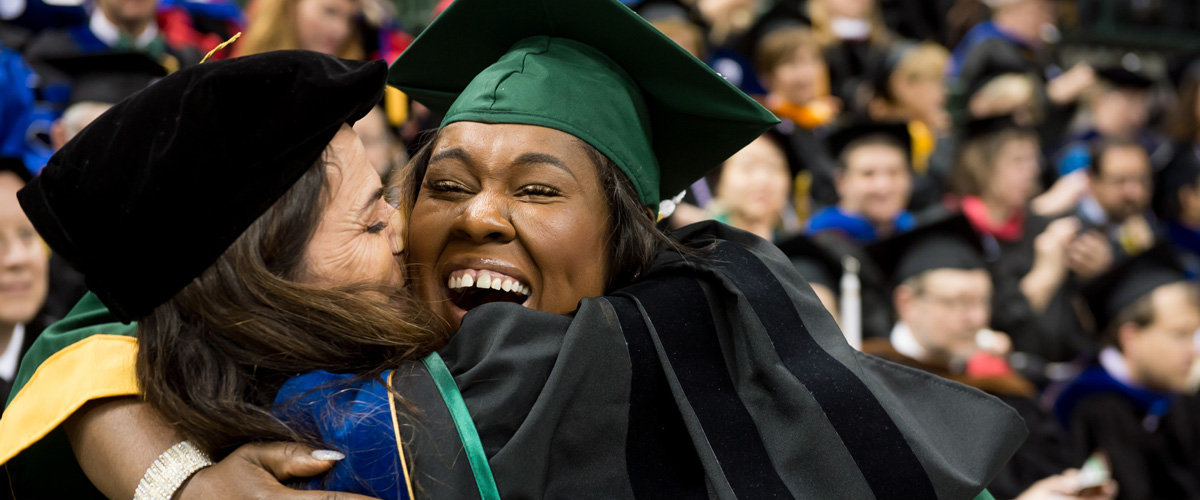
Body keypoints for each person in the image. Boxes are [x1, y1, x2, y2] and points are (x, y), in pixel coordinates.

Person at [6, 1, 1026, 499]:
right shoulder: (337, 381)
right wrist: (176, 477)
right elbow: (120, 304)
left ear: (636, 235)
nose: (474, 218)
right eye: (431, 190)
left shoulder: (700, 319)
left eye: (539, 188)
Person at [861, 215, 1117, 499]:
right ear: (906, 302)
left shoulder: (999, 384)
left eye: (983, 301)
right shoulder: (869, 386)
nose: (977, 318)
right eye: (958, 302)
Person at [949, 115, 1100, 362]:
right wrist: (1047, 272)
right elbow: (996, 322)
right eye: (1018, 160)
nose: (1032, 170)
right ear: (981, 164)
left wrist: (1093, 268)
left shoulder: (1040, 225)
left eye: (1033, 159)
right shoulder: (957, 232)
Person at [1054, 248, 1200, 499]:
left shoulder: (1176, 397)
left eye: (1194, 335)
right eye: (1179, 335)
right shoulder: (1094, 408)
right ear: (1130, 337)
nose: (1193, 351)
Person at [808, 122, 917, 244]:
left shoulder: (910, 227)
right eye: (868, 174)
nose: (883, 186)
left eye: (894, 172)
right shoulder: (821, 237)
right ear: (841, 182)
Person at [1056, 67, 1165, 178]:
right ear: (1101, 100)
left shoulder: (1153, 149)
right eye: (1131, 103)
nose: (1140, 116)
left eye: (1143, 105)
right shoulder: (1075, 150)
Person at [705, 131, 799, 241]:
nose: (762, 179)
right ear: (719, 181)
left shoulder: (797, 249)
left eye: (773, 166)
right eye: (747, 167)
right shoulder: (701, 246)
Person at [1076, 138, 1157, 263]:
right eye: (1120, 181)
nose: (1136, 193)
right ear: (1092, 180)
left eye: (1143, 180)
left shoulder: (1149, 221)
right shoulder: (1068, 232)